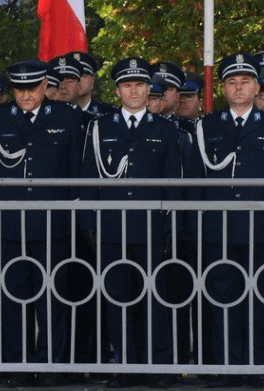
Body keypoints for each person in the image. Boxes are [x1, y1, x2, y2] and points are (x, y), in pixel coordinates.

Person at [189, 52, 264, 388]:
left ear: (255, 87)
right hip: (217, 229)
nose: (238, 88)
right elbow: (194, 182)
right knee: (221, 300)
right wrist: (195, 226)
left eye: (245, 82)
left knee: (260, 299)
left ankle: (257, 365)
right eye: (232, 82)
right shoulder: (207, 126)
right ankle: (225, 366)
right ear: (223, 88)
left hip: (262, 229)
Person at [0, 60, 82, 386]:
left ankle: (52, 366)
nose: (25, 94)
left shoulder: (68, 117)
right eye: (19, 88)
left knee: (52, 300)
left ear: (44, 85)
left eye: (32, 87)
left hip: (53, 224)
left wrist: (76, 220)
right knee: (13, 301)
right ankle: (18, 366)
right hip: (9, 225)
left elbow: (75, 172)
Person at [79, 58, 181, 388]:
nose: (134, 91)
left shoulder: (166, 130)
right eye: (127, 85)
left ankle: (159, 367)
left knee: (155, 299)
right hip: (111, 228)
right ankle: (125, 365)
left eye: (140, 85)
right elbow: (88, 181)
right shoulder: (100, 128)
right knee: (117, 300)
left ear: (148, 89)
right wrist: (88, 225)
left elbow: (173, 183)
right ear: (118, 91)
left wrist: (171, 226)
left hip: (152, 228)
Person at [66, 51, 119, 118]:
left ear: (92, 81)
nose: (78, 80)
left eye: (83, 75)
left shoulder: (111, 114)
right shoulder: (51, 116)